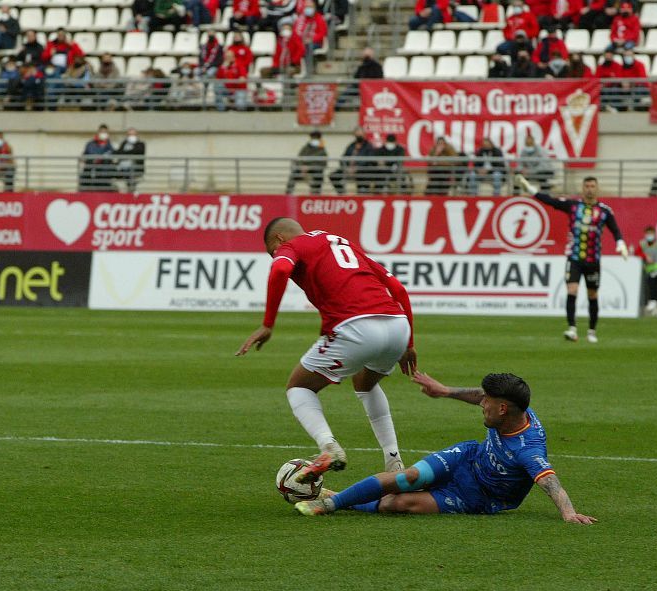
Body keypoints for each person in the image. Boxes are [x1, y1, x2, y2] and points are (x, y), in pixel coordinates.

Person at [236, 217, 417, 478]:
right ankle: (394, 460)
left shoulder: (292, 246)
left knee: (299, 387)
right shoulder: (342, 243)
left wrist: (267, 324)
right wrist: (409, 344)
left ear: (279, 239)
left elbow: (279, 271)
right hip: (397, 325)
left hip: (355, 327)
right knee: (365, 384)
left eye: (271, 252)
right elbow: (398, 288)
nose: (274, 256)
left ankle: (328, 446)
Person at [295, 370, 596, 524]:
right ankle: (330, 504)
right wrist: (444, 391)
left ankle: (342, 497)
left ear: (503, 409)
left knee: (394, 504)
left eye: (487, 402)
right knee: (408, 478)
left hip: (477, 496)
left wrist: (569, 513)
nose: (482, 404)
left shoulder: (527, 449)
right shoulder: (514, 410)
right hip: (466, 458)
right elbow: (480, 395)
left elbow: (551, 484)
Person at [515, 174, 628, 343]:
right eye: (587, 186)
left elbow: (615, 230)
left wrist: (620, 243)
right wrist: (530, 188)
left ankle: (591, 331)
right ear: (583, 188)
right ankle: (572, 328)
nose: (590, 189)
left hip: (593, 260)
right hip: (574, 258)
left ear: (597, 189)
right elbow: (551, 201)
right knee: (572, 290)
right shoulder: (573, 206)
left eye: (592, 186)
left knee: (592, 294)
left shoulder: (604, 211)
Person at [329, 127, 377, 195]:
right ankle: (342, 194)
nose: (359, 136)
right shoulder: (351, 146)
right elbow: (343, 158)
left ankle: (362, 194)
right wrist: (346, 168)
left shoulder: (368, 146)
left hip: (362, 170)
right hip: (348, 170)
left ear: (364, 135)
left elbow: (369, 160)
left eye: (360, 134)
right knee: (333, 176)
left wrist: (357, 168)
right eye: (357, 134)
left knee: (364, 178)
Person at [79, 124, 116, 192]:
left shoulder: (109, 145)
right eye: (102, 132)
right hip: (90, 170)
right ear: (98, 132)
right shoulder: (90, 144)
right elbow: (85, 155)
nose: (103, 134)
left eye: (105, 132)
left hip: (104, 173)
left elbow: (112, 155)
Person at [115, 128, 146, 192]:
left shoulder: (140, 144)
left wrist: (126, 153)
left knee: (130, 173)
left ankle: (131, 190)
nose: (131, 136)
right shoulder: (124, 143)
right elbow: (119, 152)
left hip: (135, 167)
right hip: (122, 167)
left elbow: (138, 151)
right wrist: (130, 153)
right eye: (129, 135)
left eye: (133, 134)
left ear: (136, 135)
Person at [409, 0, 474, 30]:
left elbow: (444, 4)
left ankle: (428, 29)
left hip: (440, 17)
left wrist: (431, 10)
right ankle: (414, 35)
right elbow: (418, 8)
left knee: (436, 9)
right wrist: (421, 12)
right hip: (426, 17)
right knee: (413, 21)